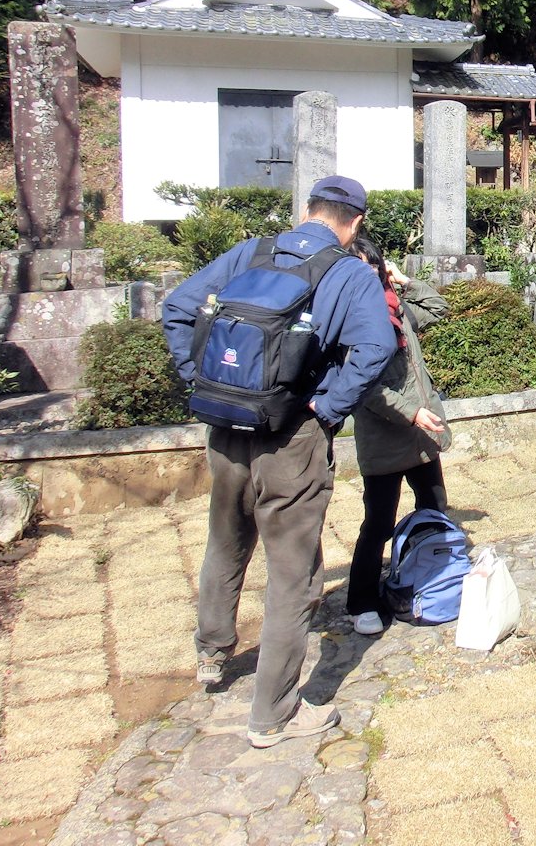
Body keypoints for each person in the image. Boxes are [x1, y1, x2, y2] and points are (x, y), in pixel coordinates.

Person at [161, 176, 394, 749]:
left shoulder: (252, 252)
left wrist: (201, 381)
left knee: (226, 537)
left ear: (307, 211)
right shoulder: (349, 273)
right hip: (292, 435)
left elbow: (178, 307)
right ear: (355, 222)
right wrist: (328, 408)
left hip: (226, 427)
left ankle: (212, 651)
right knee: (294, 573)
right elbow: (376, 347)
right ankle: (274, 713)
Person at [344, 236, 452, 636]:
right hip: (385, 438)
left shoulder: (396, 308)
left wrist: (404, 281)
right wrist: (412, 413)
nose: (368, 273)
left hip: (422, 437)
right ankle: (361, 603)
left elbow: (438, 308)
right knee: (378, 524)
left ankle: (434, 577)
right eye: (358, 267)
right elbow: (365, 388)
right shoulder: (348, 321)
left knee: (435, 508)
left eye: (373, 265)